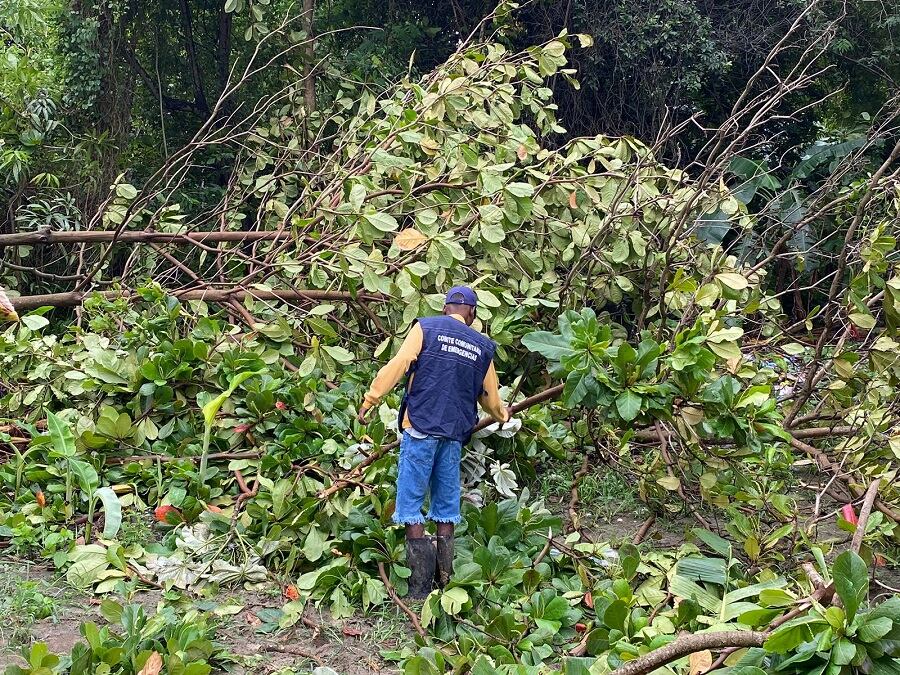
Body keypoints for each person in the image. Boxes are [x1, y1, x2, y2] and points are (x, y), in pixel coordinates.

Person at [357, 286, 510, 598]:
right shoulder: (482, 346)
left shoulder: (425, 328)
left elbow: (400, 364)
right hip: (454, 435)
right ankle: (446, 580)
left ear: (445, 309)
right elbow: (490, 398)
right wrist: (502, 414)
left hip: (421, 427)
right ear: (473, 314)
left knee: (410, 504)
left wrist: (371, 398)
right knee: (445, 505)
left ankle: (418, 588)